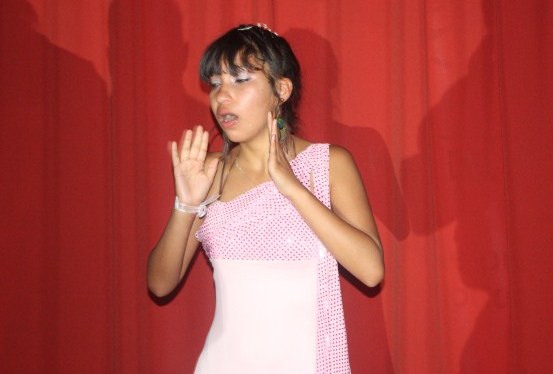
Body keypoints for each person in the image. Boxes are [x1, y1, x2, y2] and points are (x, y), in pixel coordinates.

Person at [147, 23, 384, 373]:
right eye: (216, 84)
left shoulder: (327, 163)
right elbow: (159, 284)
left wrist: (292, 187)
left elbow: (371, 271)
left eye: (240, 80)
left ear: (281, 90)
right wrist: (186, 204)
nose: (222, 97)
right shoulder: (210, 172)